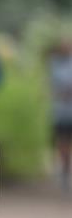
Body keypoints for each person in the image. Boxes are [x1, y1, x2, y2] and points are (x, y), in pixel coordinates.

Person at [44, 38, 72, 192]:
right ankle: (64, 173)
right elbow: (52, 87)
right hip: (60, 112)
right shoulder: (54, 64)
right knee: (62, 144)